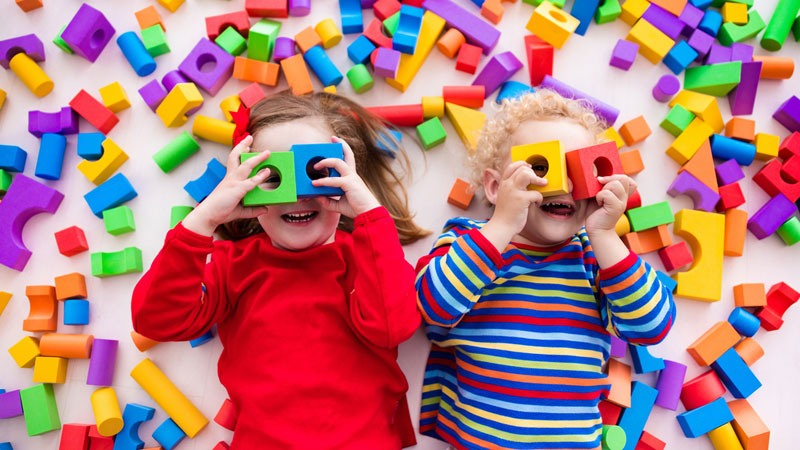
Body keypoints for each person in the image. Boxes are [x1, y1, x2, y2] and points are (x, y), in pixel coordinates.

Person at [132, 91, 429, 449]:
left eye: (317, 174)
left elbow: (392, 328)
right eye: (272, 178)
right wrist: (204, 219)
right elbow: (155, 320)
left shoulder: (368, 255)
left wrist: (370, 215)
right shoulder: (233, 264)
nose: (295, 196)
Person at [416, 90, 676, 450]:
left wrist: (604, 234)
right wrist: (503, 224)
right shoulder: (468, 241)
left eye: (579, 171)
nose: (564, 186)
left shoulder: (596, 259)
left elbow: (652, 327)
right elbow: (431, 306)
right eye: (541, 168)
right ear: (494, 187)